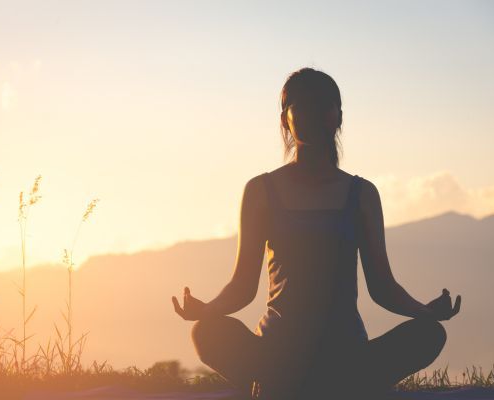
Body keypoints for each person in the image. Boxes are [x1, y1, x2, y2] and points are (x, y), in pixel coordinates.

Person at [171, 67, 461, 400]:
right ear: (285, 119)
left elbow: (382, 287)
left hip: (346, 355)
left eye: (323, 105)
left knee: (429, 334)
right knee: (207, 332)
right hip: (276, 356)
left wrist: (427, 313)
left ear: (338, 117)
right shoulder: (261, 191)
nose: (313, 113)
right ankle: (291, 385)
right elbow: (243, 287)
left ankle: (305, 387)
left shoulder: (362, 194)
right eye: (303, 105)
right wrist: (204, 311)